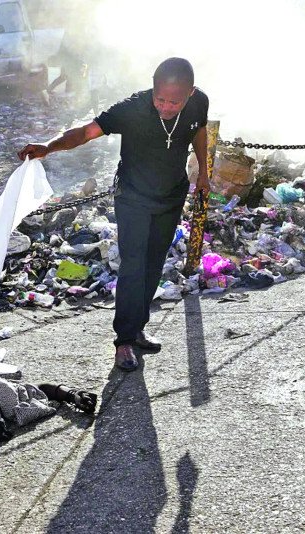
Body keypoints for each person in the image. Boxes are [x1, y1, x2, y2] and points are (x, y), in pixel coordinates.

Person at [18, 57, 209, 371]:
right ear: (152, 88)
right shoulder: (132, 110)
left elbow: (199, 130)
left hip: (171, 196)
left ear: (190, 94)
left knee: (153, 263)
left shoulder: (199, 102)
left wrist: (202, 171)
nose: (166, 107)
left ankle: (138, 328)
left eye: (175, 102)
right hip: (133, 197)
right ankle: (123, 342)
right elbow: (85, 133)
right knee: (133, 264)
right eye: (160, 99)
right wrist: (48, 147)